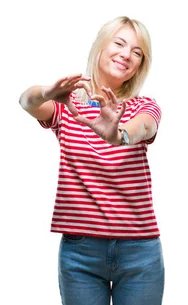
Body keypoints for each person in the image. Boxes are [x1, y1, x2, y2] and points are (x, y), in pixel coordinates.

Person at [18, 16, 163, 305]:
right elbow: (27, 101)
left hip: (140, 253)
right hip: (80, 252)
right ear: (101, 47)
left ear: (139, 65)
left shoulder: (142, 106)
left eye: (137, 52)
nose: (126, 55)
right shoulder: (69, 104)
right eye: (119, 43)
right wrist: (48, 93)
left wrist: (120, 134)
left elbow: (146, 126)